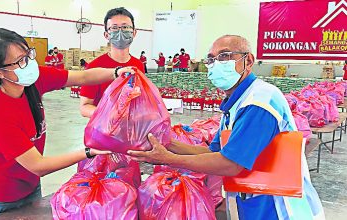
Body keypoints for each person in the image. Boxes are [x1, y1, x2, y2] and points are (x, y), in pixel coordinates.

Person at [127, 35, 325, 219]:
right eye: (211, 59)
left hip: (281, 206)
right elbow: (212, 152)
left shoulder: (259, 102)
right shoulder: (237, 102)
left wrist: (169, 159)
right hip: (256, 199)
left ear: (248, 61)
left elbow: (230, 163)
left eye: (224, 56)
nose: (216, 64)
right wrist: (167, 143)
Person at [0, 28, 135, 219]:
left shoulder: (32, 80)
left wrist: (116, 72)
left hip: (31, 186)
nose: (29, 64)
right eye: (20, 61)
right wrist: (87, 152)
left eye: (28, 55)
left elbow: (82, 77)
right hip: (2, 197)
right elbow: (39, 165)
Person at [79, 7, 145, 118]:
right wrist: (109, 115)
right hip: (102, 131)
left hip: (130, 131)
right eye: (114, 28)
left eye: (125, 27)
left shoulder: (138, 65)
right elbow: (84, 107)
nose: (120, 31)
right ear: (106, 35)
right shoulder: (95, 66)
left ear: (134, 32)